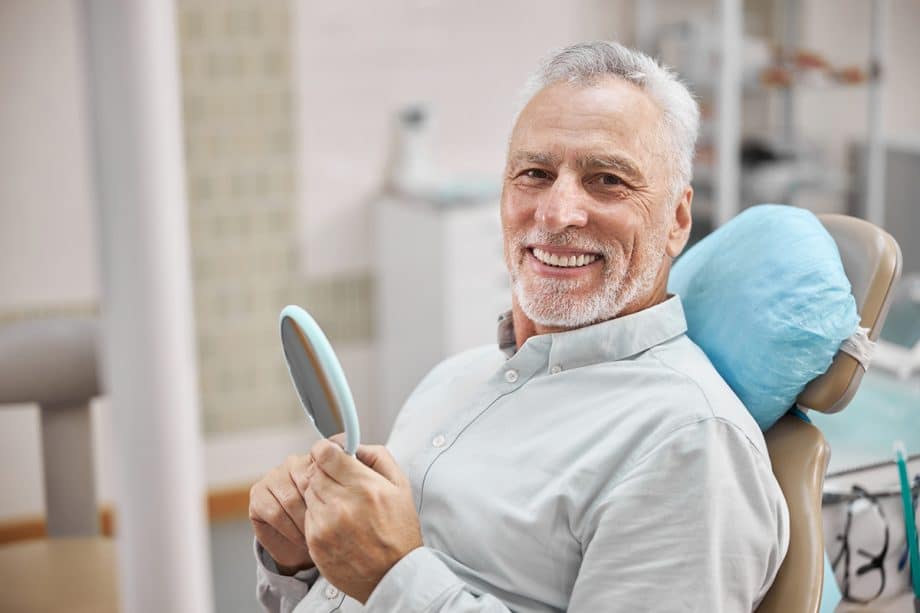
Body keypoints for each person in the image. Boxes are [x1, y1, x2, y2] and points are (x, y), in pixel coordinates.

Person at [249, 40, 789, 613]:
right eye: (534, 173)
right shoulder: (453, 379)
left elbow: (387, 581)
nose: (556, 214)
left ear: (678, 219)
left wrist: (394, 576)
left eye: (607, 180)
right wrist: (299, 563)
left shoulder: (688, 444)